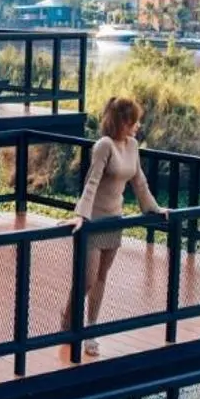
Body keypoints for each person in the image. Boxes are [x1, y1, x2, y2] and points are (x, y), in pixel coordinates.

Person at [59, 95, 164, 357]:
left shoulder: (132, 145)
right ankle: (69, 320)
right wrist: (81, 215)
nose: (138, 125)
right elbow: (91, 182)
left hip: (115, 219)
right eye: (133, 121)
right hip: (94, 221)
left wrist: (154, 208)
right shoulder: (104, 145)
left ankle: (90, 331)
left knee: (102, 278)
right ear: (121, 121)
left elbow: (139, 182)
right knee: (87, 278)